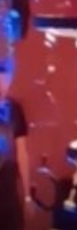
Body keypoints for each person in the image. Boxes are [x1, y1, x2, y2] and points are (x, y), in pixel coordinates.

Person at [0, 61, 30, 230]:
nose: (2, 87)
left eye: (6, 81)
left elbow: (22, 153)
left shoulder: (15, 109)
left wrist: (27, 195)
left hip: (8, 191)